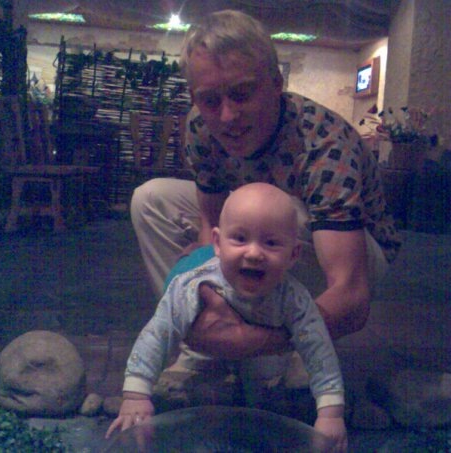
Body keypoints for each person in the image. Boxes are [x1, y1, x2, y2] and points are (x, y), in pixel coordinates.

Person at [130, 9, 401, 378]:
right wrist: (205, 290)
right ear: (195, 97)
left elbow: (352, 296)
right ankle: (204, 340)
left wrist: (256, 341)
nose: (227, 116)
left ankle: (279, 346)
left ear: (276, 84)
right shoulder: (200, 126)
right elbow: (211, 222)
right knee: (151, 199)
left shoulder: (324, 145)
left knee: (276, 211)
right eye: (210, 100)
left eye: (242, 94)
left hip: (357, 254)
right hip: (268, 234)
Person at [107, 183, 348, 452]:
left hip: (265, 353)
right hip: (206, 349)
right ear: (218, 243)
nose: (254, 253)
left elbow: (318, 349)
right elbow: (158, 333)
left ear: (294, 254)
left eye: (271, 243)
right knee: (199, 389)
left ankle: (271, 387)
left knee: (269, 392)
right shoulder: (193, 286)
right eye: (240, 239)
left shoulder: (294, 299)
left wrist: (331, 413)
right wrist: (136, 394)